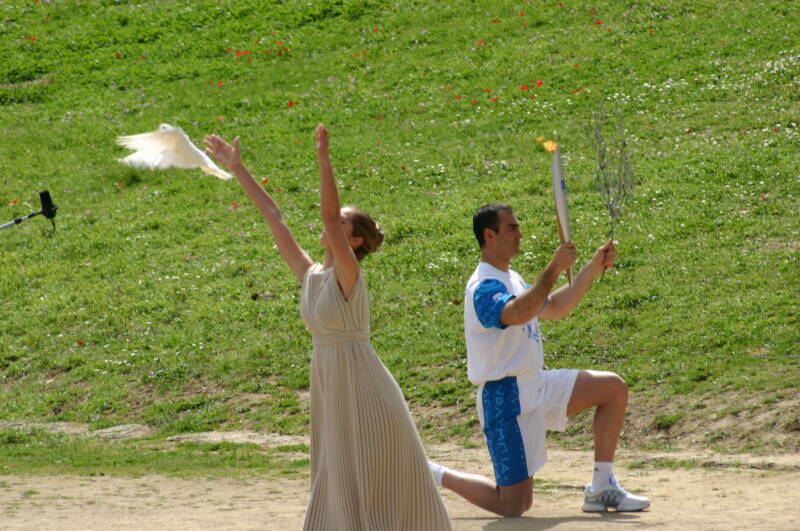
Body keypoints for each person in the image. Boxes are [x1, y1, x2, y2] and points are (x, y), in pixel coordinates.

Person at [204, 126, 452, 530]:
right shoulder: (311, 275)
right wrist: (238, 168)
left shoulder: (349, 274)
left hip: (364, 387)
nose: (331, 224)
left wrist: (324, 161)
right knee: (339, 474)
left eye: (341, 224)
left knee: (377, 479)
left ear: (353, 241)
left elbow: (327, 218)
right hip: (331, 386)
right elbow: (274, 217)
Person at [428, 203, 650, 516]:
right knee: (514, 505)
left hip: (536, 383)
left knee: (612, 388)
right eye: (512, 229)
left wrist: (593, 266)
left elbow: (555, 307)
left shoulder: (513, 278)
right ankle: (431, 472)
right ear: (489, 235)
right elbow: (515, 313)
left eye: (518, 227)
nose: (520, 234)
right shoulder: (483, 285)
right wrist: (553, 269)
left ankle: (602, 487)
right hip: (505, 398)